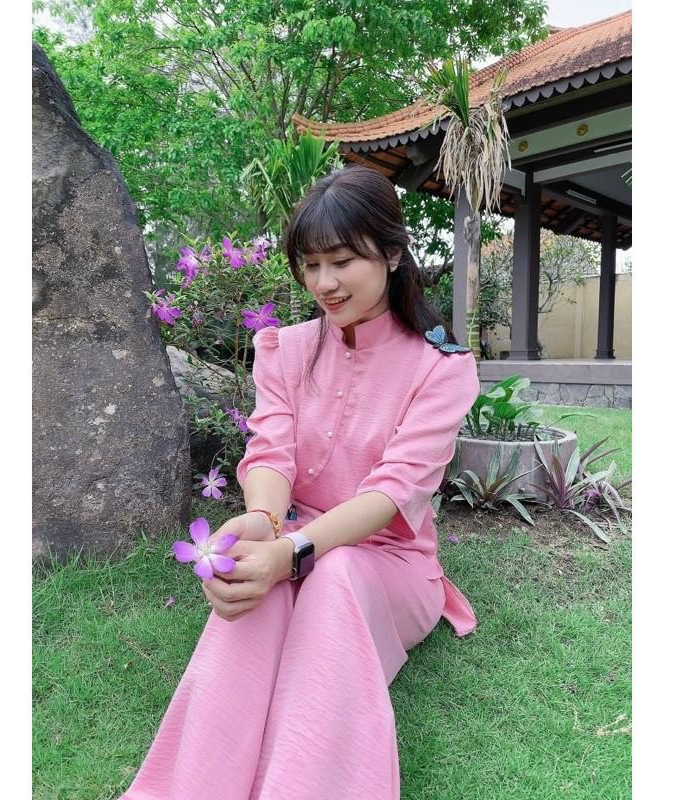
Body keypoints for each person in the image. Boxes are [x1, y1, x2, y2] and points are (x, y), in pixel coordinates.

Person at [119, 165, 480, 800]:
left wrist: (291, 553)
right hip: (293, 536)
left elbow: (393, 491)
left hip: (387, 564)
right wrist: (263, 523)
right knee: (259, 596)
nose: (323, 283)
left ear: (393, 254)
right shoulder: (283, 349)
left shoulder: (441, 369)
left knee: (332, 574)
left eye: (342, 261)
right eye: (310, 265)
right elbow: (271, 452)